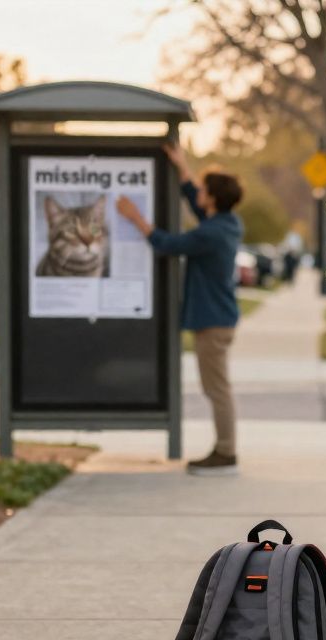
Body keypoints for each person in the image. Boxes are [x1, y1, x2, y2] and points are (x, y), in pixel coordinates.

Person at [116, 143, 244, 476]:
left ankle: (226, 453)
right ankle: (224, 449)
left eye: (203, 189)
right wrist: (183, 169)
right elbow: (195, 204)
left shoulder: (212, 233)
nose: (198, 192)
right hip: (219, 319)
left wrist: (135, 218)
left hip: (213, 323)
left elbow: (168, 244)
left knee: (217, 389)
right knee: (217, 387)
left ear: (213, 198)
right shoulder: (226, 223)